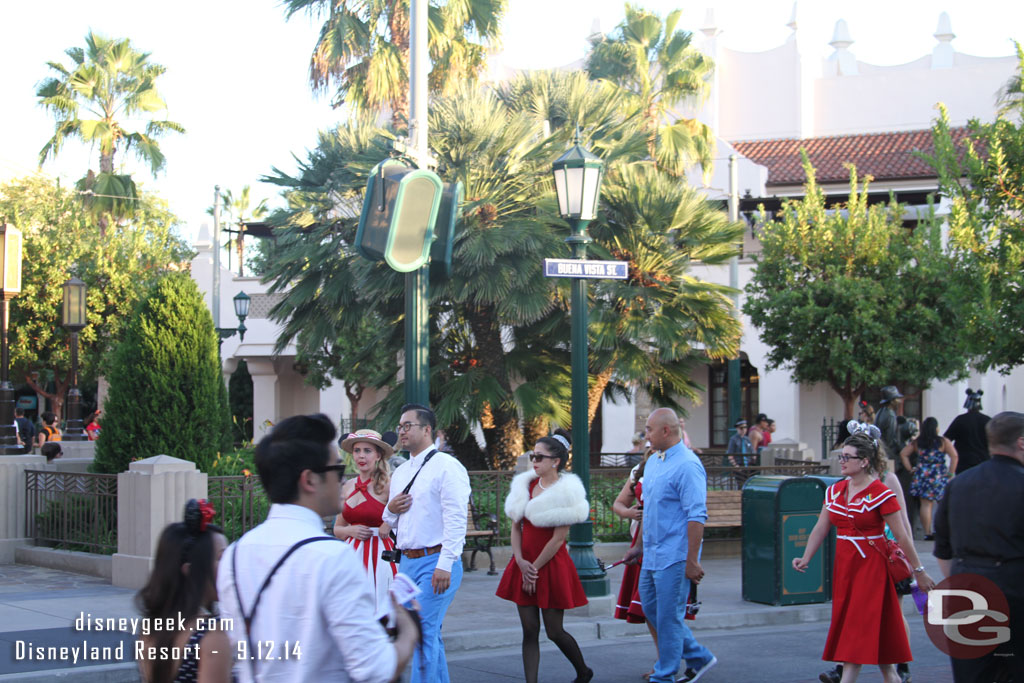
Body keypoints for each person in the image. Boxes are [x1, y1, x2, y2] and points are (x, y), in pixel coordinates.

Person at [217, 413, 418, 683]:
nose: (342, 480)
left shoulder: (233, 556)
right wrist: (409, 628)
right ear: (309, 480)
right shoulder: (333, 557)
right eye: (336, 470)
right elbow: (374, 669)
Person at [794, 429, 936, 683]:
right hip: (845, 569)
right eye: (841, 456)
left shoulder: (881, 492)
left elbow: (902, 536)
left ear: (865, 461)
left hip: (872, 570)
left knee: (856, 634)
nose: (842, 461)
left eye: (848, 457)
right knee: (883, 658)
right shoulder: (835, 490)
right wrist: (806, 557)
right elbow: (821, 526)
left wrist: (919, 570)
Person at [623, 408, 717, 683]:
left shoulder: (688, 465)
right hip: (651, 552)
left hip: (675, 555)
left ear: (666, 430)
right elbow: (648, 509)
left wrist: (691, 560)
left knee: (669, 616)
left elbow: (697, 515)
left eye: (649, 429)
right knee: (652, 609)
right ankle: (698, 656)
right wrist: (638, 546)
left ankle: (664, 676)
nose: (646, 435)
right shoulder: (653, 462)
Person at [820, 422, 917, 683]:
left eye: (848, 454)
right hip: (855, 560)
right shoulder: (845, 484)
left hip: (885, 557)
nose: (843, 459)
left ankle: (900, 663)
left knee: (892, 616)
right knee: (869, 619)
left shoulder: (887, 481)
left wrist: (911, 561)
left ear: (866, 455)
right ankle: (884, 670)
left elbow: (903, 524)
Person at [933, 411, 1024, 683]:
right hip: (1015, 590)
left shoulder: (958, 485)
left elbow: (943, 548)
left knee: (972, 674)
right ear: (1021, 442)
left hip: (966, 589)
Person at [383, 403, 470, 683]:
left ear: (427, 429)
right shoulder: (400, 472)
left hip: (436, 561)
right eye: (400, 427)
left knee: (421, 631)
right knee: (423, 632)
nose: (402, 432)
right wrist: (391, 510)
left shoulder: (448, 467)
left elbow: (456, 520)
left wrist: (445, 564)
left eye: (408, 426)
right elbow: (390, 523)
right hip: (407, 563)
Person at [495, 432, 593, 683]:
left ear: (556, 461)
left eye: (539, 457)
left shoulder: (567, 492)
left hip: (550, 566)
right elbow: (516, 527)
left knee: (554, 631)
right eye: (532, 456)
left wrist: (533, 569)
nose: (534, 461)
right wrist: (519, 561)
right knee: (529, 630)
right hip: (523, 562)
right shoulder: (525, 486)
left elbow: (558, 539)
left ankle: (583, 671)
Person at [136, 499, 232, 683]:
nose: (229, 565)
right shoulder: (212, 635)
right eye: (221, 557)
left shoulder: (151, 628)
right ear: (191, 570)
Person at [334, 429, 398, 614]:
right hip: (352, 557)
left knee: (382, 606)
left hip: (382, 555)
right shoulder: (347, 486)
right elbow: (337, 528)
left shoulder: (389, 485)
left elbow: (407, 515)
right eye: (357, 450)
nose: (361, 456)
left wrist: (388, 522)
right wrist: (349, 531)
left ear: (378, 455)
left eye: (367, 451)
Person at [612, 449, 658, 680]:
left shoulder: (674, 468)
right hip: (641, 544)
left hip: (662, 546)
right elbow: (619, 504)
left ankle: (676, 659)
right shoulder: (638, 472)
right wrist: (630, 513)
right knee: (649, 607)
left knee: (661, 608)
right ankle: (667, 660)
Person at [900, 417, 957, 541]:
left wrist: (911, 469)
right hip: (939, 475)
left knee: (926, 505)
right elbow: (954, 456)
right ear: (936, 428)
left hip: (923, 475)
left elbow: (904, 454)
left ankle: (928, 532)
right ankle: (944, 531)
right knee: (943, 504)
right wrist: (951, 474)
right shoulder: (943, 442)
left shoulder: (917, 442)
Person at [943, 388, 990, 474]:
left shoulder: (960, 420)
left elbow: (946, 439)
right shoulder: (987, 421)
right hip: (984, 462)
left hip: (963, 463)